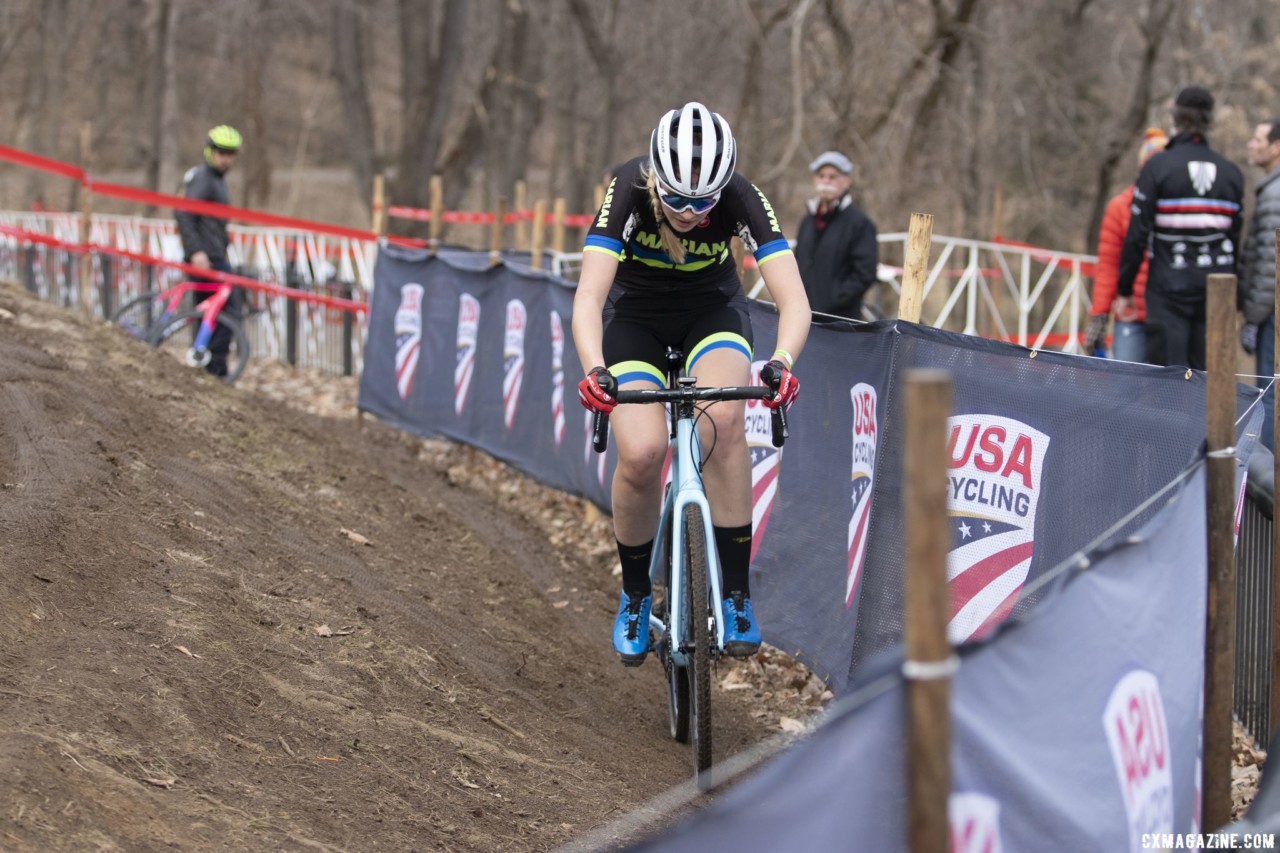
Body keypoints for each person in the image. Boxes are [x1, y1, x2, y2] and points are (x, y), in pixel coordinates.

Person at [573, 102, 811, 665]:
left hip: (712, 314)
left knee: (725, 419)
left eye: (703, 202)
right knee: (642, 452)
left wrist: (781, 360)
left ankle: (734, 596)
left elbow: (795, 301)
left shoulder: (742, 197)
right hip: (636, 319)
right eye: (676, 198)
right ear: (656, 177)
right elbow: (588, 297)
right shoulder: (629, 188)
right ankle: (635, 595)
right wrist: (594, 369)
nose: (688, 211)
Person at [1115, 86, 1244, 370]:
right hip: (1217, 292)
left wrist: (1124, 288)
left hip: (1167, 289)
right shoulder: (1231, 173)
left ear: (1174, 117)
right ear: (1208, 121)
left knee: (1169, 384)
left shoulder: (1157, 167)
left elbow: (1137, 235)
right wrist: (1238, 295)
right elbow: (1235, 241)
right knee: (1211, 381)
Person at [1084, 128, 1169, 361]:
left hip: (1172, 318)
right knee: (1127, 390)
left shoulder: (1179, 206)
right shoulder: (1120, 206)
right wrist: (1099, 316)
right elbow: (1109, 265)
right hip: (1132, 318)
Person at [175, 124, 242, 377]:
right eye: (221, 152)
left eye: (230, 153)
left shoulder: (215, 180)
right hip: (207, 259)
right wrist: (196, 251)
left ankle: (206, 364)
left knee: (211, 313)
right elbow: (183, 213)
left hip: (215, 254)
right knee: (229, 310)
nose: (226, 159)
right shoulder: (204, 179)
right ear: (210, 151)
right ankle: (214, 368)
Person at [794, 150, 879, 320]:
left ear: (847, 181)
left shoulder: (860, 224)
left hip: (840, 323)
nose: (826, 181)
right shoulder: (807, 221)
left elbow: (864, 274)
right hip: (802, 317)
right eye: (821, 175)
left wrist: (832, 300)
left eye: (833, 177)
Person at [1238, 118, 1280, 452]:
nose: (1252, 144)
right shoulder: (1271, 187)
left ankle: (1268, 487)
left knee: (1269, 391)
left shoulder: (1275, 193)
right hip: (1269, 309)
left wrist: (1253, 315)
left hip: (1271, 313)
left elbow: (1270, 263)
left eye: (1258, 139)